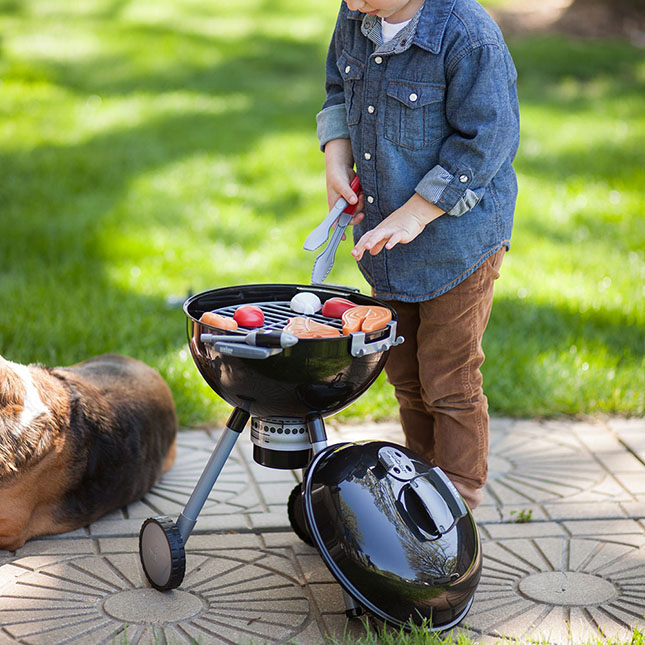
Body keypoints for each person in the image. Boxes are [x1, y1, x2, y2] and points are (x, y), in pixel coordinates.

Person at [317, 0, 520, 509]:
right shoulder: (356, 16)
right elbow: (339, 90)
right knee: (405, 375)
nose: (352, 1)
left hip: (457, 245)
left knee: (448, 380)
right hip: (388, 246)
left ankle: (457, 504)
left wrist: (417, 212)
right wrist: (336, 162)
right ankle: (421, 482)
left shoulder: (467, 35)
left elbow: (487, 141)